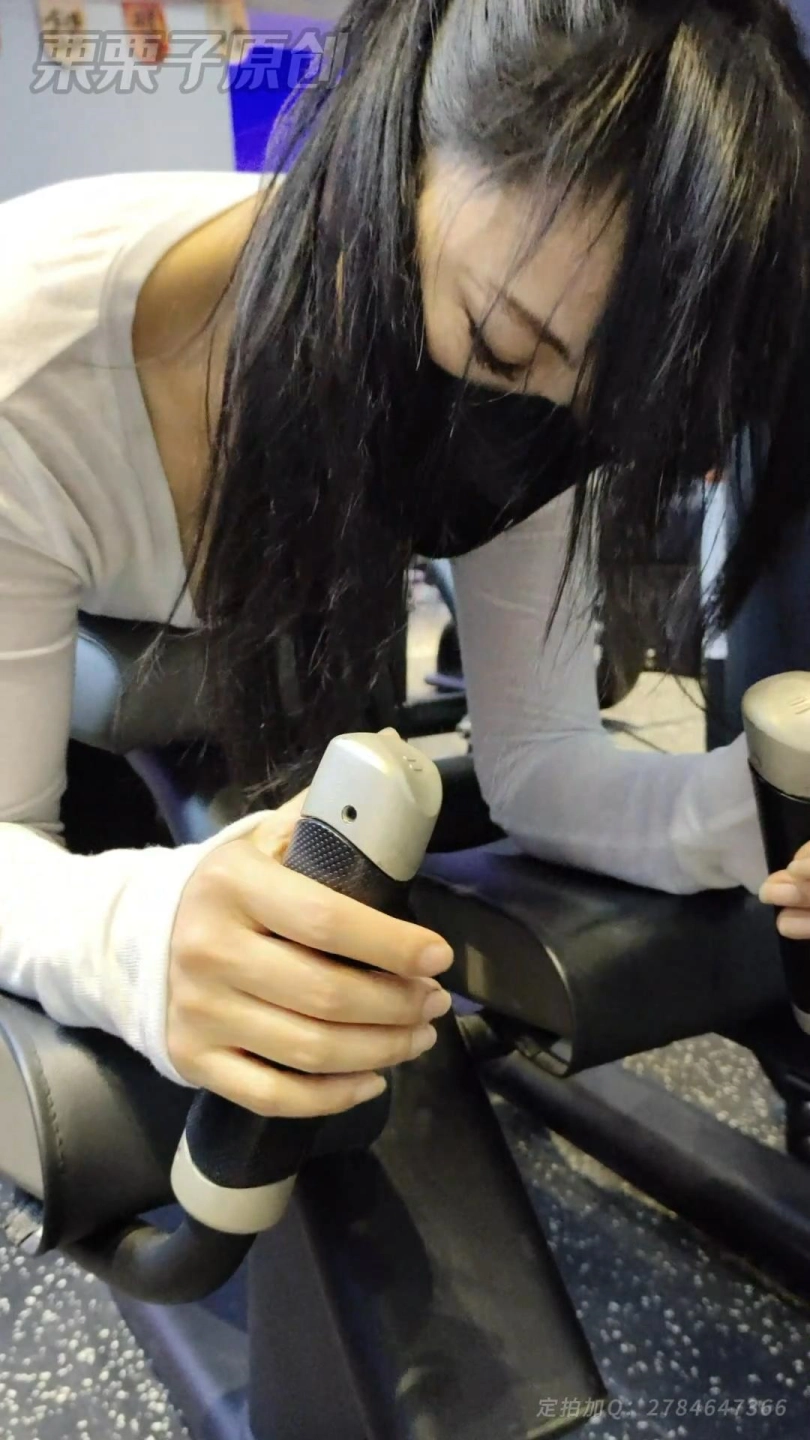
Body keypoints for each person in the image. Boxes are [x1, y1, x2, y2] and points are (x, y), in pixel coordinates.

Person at [2, 0, 810, 1121]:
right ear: (393, 148)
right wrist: (129, 939)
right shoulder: (28, 366)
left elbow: (543, 769)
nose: (547, 416)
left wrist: (763, 813)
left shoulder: (553, 359)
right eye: (504, 344)